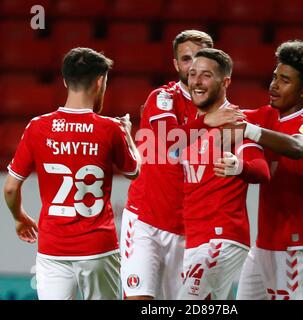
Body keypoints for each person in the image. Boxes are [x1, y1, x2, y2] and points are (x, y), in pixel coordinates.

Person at [219, 40, 303, 300]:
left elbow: (298, 146)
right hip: (263, 246)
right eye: (274, 77)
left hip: (296, 245)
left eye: (284, 80)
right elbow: (226, 116)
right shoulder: (267, 115)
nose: (274, 85)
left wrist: (249, 130)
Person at [3, 47, 140, 300]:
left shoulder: (37, 127)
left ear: (66, 80)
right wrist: (128, 135)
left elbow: (10, 188)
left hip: (53, 249)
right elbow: (134, 171)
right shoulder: (110, 128)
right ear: (100, 81)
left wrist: (19, 217)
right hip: (98, 248)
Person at [120, 30, 244, 300]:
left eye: (199, 60)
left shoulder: (228, 114)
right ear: (176, 64)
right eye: (186, 60)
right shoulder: (162, 98)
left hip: (192, 232)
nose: (193, 69)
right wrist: (205, 122)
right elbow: (170, 142)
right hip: (146, 221)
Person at [178, 48, 271, 300]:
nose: (196, 81)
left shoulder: (235, 121)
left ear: (225, 82)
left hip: (221, 237)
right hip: (192, 242)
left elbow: (261, 170)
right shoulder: (189, 128)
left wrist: (239, 167)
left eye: (206, 75)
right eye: (193, 73)